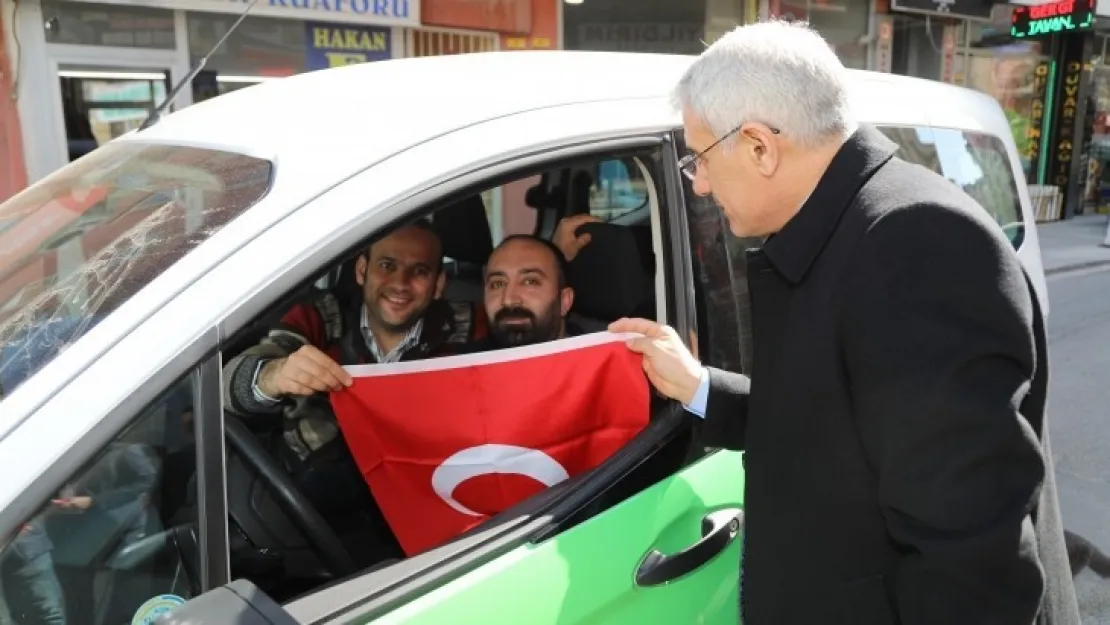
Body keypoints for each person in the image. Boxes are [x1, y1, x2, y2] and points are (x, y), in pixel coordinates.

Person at [610, 20, 1079, 625]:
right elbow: (833, 426)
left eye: (699, 158)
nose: (697, 184)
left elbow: (971, 561)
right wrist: (699, 385)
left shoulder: (916, 248)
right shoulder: (852, 229)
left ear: (759, 146)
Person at [222, 220, 486, 523]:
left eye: (419, 271)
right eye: (387, 265)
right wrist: (272, 375)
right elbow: (230, 384)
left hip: (432, 500)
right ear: (362, 271)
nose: (400, 283)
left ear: (438, 284)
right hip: (317, 500)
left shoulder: (470, 327)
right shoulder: (320, 318)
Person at [470, 234, 582, 351]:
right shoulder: (464, 364)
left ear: (565, 301)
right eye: (498, 284)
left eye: (530, 282)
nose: (508, 300)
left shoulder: (594, 364)